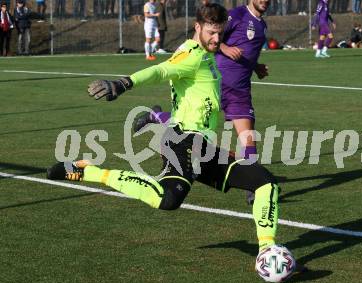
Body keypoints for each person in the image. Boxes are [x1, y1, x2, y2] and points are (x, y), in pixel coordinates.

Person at [47, 3, 280, 253]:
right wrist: (125, 83)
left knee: (265, 183)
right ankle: (88, 171)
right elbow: (161, 70)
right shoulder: (191, 54)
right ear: (197, 27)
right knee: (167, 199)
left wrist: (252, 65)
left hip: (202, 145)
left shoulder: (208, 53)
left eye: (220, 33)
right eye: (211, 33)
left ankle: (267, 250)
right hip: (181, 141)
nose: (216, 39)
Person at [134, 0, 271, 205]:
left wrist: (255, 66)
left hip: (239, 90)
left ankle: (253, 189)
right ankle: (157, 116)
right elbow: (214, 36)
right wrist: (224, 48)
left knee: (248, 138)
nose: (265, 0)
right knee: (193, 121)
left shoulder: (262, 25)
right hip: (214, 81)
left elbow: (245, 50)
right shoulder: (237, 15)